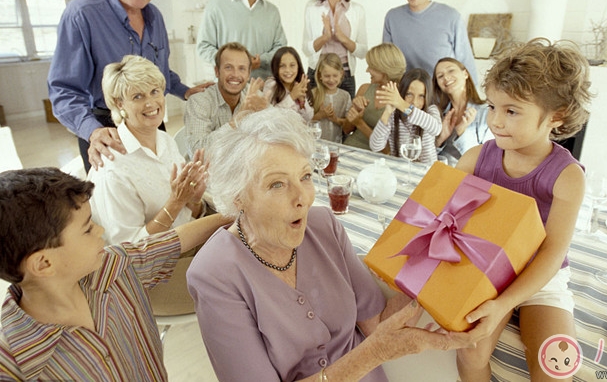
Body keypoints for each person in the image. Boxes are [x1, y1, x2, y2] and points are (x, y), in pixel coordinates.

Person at [187, 108, 471, 382]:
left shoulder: (324, 226)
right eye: (277, 184)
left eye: (305, 176)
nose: (303, 198)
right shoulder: (214, 274)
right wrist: (373, 354)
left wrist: (431, 264)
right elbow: (377, 346)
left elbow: (376, 324)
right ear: (238, 197)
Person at [0, 167, 230, 381]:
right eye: (86, 228)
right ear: (43, 264)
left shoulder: (114, 268)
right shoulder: (6, 371)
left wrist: (234, 214)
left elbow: (175, 241)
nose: (100, 231)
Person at [454, 38, 591, 382]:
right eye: (492, 106)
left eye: (512, 110)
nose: (496, 121)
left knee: (555, 365)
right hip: (487, 267)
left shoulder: (568, 176)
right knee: (471, 351)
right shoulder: (474, 158)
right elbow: (441, 220)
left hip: (541, 277)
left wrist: (504, 304)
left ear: (555, 117)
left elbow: (552, 252)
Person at [48, 0, 212, 173]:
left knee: (167, 190)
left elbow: (160, 70)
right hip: (107, 129)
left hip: (152, 121)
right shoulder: (82, 15)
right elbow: (63, 90)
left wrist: (184, 90)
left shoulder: (154, 16)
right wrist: (92, 131)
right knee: (120, 203)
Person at [87, 55, 208, 244]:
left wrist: (194, 199)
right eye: (137, 96)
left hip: (183, 243)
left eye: (154, 91)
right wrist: (176, 202)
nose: (151, 103)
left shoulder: (165, 141)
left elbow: (186, 216)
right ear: (120, 104)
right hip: (148, 268)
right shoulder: (112, 166)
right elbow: (129, 249)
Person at [382, 0, 478, 84]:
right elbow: (386, 63)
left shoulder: (451, 16)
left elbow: (465, 61)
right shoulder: (393, 17)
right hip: (407, 94)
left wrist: (473, 100)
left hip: (443, 94)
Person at [196, 0, 287, 79]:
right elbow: (204, 47)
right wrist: (234, 63)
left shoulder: (272, 11)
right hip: (229, 89)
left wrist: (261, 60)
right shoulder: (216, 6)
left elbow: (280, 48)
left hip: (265, 89)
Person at [184, 42, 268, 154]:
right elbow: (198, 154)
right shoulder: (198, 102)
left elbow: (271, 139)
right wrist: (239, 117)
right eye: (228, 67)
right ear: (217, 71)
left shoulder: (254, 95)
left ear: (248, 74)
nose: (235, 74)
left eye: (242, 69)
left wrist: (267, 116)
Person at [301, 0, 368, 98]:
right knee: (313, 115)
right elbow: (306, 49)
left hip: (345, 74)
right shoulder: (312, 8)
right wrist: (325, 38)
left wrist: (343, 38)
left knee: (345, 118)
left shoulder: (357, 10)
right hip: (318, 73)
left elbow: (362, 52)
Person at [369, 68, 441, 163]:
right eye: (409, 94)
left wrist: (401, 104)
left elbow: (436, 129)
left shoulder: (431, 110)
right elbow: (375, 146)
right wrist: (387, 112)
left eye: (421, 96)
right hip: (401, 170)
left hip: (426, 171)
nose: (415, 102)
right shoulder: (394, 114)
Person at [344, 43, 406, 150]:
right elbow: (346, 129)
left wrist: (360, 123)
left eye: (371, 67)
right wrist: (355, 111)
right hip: (350, 147)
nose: (367, 70)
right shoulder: (365, 89)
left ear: (384, 69)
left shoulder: (401, 100)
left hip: (378, 158)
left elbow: (388, 150)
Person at [432, 57, 493, 165]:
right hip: (439, 173)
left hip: (468, 177)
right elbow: (427, 158)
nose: (446, 77)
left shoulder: (486, 113)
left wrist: (462, 133)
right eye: (440, 76)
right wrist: (439, 140)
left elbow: (486, 162)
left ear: (465, 74)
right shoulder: (438, 114)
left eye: (451, 70)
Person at [263, 46, 313, 123]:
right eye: (282, 66)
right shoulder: (271, 85)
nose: (288, 70)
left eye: (292, 65)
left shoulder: (298, 84)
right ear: (276, 67)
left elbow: (308, 119)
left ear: (298, 67)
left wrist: (302, 102)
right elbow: (271, 118)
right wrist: (292, 96)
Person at [309, 53, 351, 143]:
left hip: (337, 145)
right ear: (320, 76)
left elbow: (348, 125)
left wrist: (335, 119)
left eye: (335, 76)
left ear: (341, 74)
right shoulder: (313, 94)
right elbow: (306, 122)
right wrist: (320, 115)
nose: (331, 80)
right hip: (315, 144)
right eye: (327, 76)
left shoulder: (345, 96)